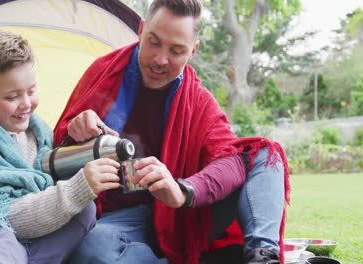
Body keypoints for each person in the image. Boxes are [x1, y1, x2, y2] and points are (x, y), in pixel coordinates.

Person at [54, 0, 290, 263]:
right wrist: (73, 132)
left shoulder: (197, 99)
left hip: (183, 217)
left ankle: (262, 256)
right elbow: (54, 158)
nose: (160, 60)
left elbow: (234, 160)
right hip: (118, 220)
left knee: (264, 154)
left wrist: (183, 190)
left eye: (176, 50)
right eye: (154, 42)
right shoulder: (104, 72)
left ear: (193, 51)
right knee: (91, 251)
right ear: (141, 30)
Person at [0, 31, 122, 264]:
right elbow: (9, 218)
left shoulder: (37, 130)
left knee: (84, 212)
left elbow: (44, 171)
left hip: (32, 240)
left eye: (32, 90)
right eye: (12, 96)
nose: (26, 104)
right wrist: (78, 188)